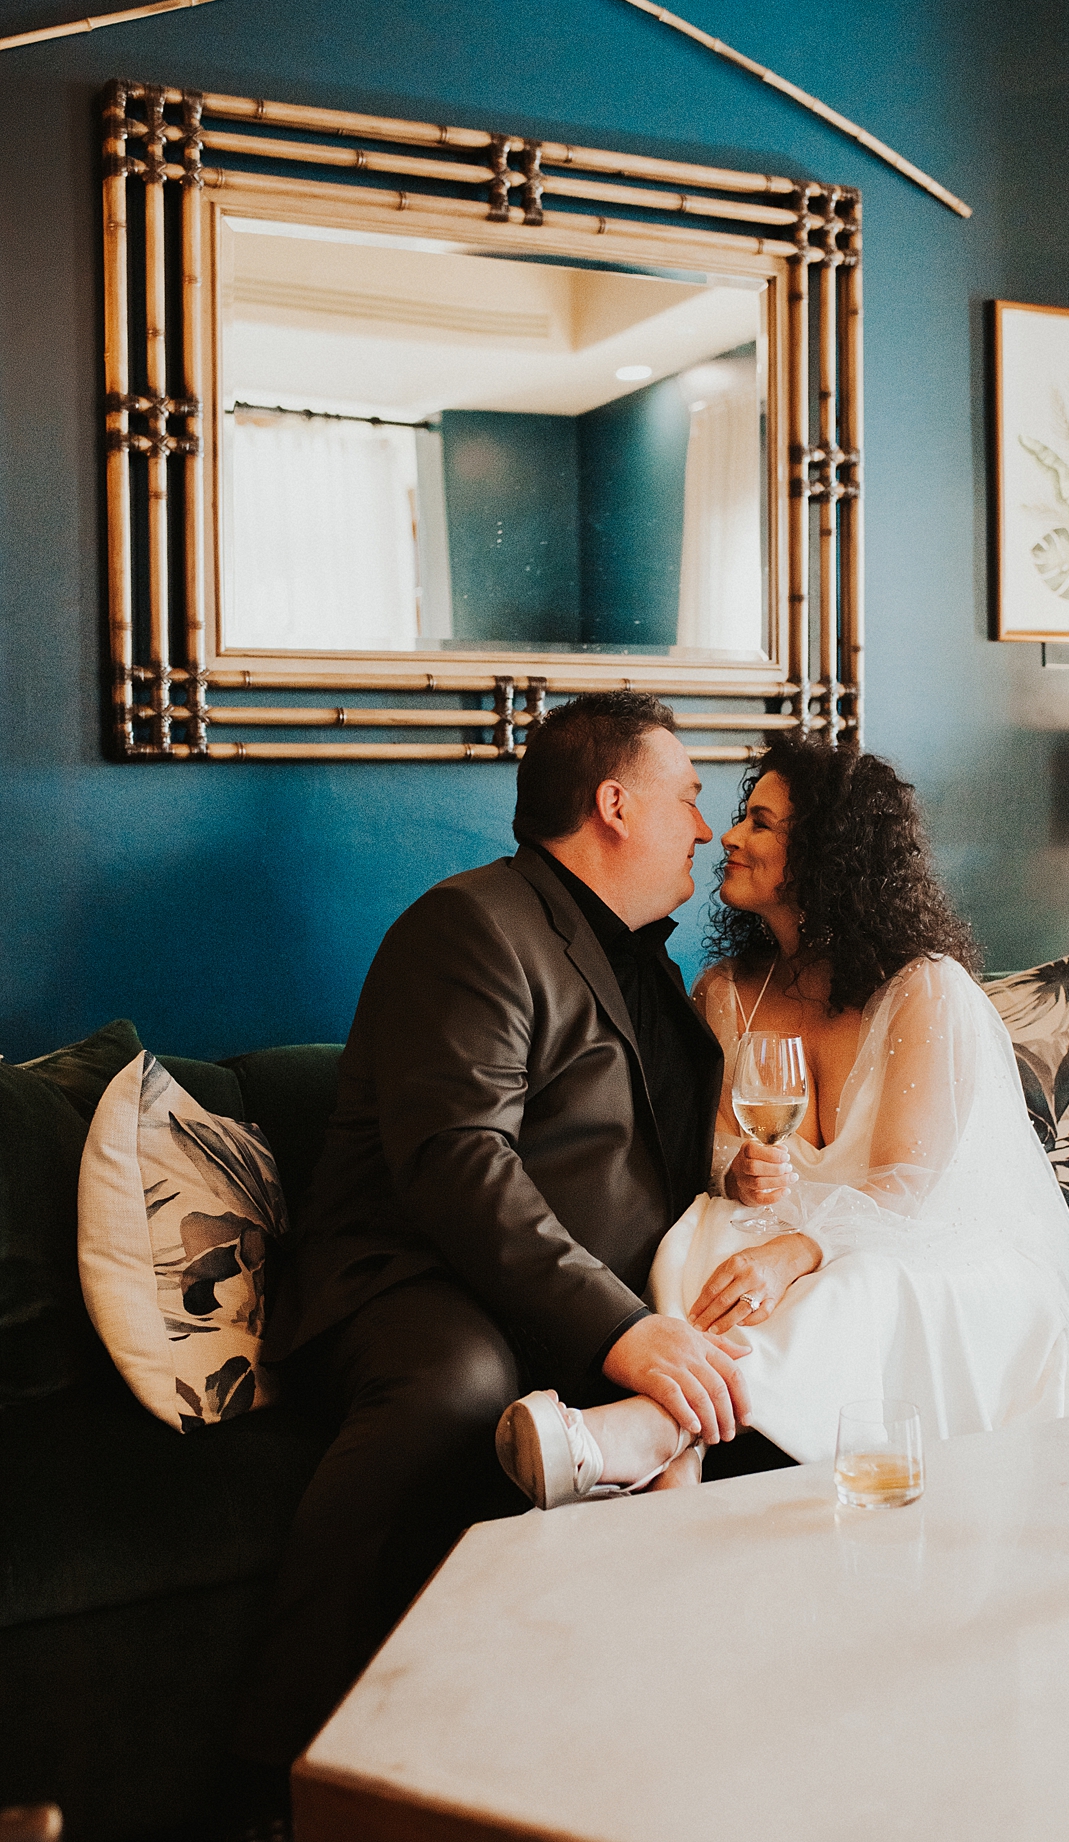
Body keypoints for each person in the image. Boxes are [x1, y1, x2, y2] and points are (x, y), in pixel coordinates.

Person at [235, 693, 773, 1804]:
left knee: (771, 1375)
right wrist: (623, 1330)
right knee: (462, 1385)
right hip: (417, 1272)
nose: (707, 828)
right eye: (691, 797)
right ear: (614, 803)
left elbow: (633, 1153)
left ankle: (625, 1762)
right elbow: (457, 1166)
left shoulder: (644, 963)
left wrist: (729, 1185)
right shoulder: (471, 924)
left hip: (577, 1282)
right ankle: (279, 1774)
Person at [496, 733, 1069, 1507]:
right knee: (700, 1239)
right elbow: (707, 1156)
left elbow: (904, 1188)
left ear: (829, 853)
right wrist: (735, 1170)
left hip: (924, 1247)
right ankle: (673, 1460)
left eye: (761, 823)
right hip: (777, 1232)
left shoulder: (924, 990)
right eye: (741, 818)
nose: (725, 837)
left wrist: (795, 1253)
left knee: (860, 1280)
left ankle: (651, 1436)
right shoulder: (727, 993)